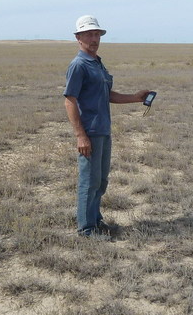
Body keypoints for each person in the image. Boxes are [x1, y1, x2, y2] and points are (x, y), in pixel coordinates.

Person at [63, 15, 150, 237]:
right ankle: (86, 229)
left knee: (100, 181)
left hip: (103, 130)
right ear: (78, 37)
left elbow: (106, 95)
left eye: (96, 34)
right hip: (90, 132)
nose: (94, 39)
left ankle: (96, 220)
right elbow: (69, 100)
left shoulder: (97, 63)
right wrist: (80, 135)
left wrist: (136, 97)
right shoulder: (79, 65)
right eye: (89, 34)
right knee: (88, 182)